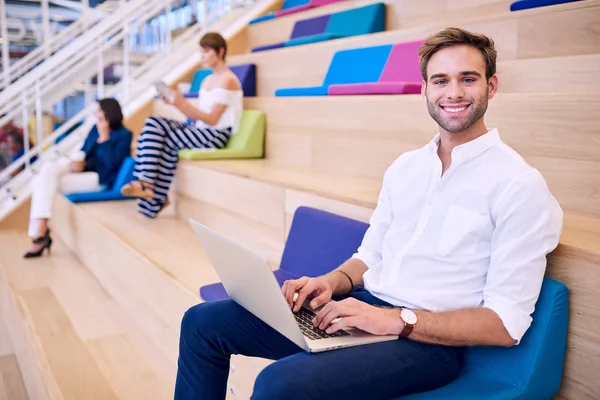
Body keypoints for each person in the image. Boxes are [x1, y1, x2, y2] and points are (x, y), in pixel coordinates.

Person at [174, 27, 565, 399]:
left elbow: (505, 324)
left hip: (425, 344)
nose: (454, 92)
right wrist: (329, 282)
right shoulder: (406, 167)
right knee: (201, 323)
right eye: (441, 80)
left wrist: (397, 320)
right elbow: (371, 254)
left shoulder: (519, 185)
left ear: (491, 86)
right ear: (425, 89)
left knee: (279, 385)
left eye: (468, 78)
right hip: (359, 308)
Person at [120, 32, 243, 218]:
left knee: (166, 138)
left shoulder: (228, 80)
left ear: (220, 51)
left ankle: (150, 190)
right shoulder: (206, 81)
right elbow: (198, 119)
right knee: (153, 123)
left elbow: (212, 120)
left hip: (217, 135)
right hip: (202, 130)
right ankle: (150, 189)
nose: (202, 56)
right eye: (201, 52)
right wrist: (174, 103)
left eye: (206, 52)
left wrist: (181, 103)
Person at [24, 98, 132, 258]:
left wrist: (104, 138)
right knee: (47, 169)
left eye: (99, 111)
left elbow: (111, 165)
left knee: (41, 182)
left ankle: (40, 232)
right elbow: (84, 151)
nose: (96, 115)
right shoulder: (94, 129)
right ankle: (41, 228)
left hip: (99, 179)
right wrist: (79, 164)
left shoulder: (124, 135)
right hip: (84, 171)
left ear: (109, 113)